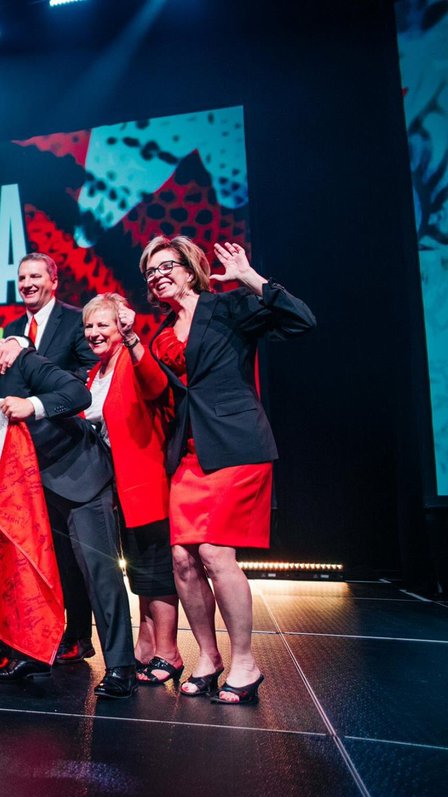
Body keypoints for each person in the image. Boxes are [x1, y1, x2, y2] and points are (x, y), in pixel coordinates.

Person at [143, 236, 315, 705]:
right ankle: (207, 656)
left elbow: (302, 321)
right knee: (182, 558)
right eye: (150, 271)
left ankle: (245, 662)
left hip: (237, 445)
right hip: (190, 454)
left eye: (166, 266)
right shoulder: (158, 335)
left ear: (190, 267)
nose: (158, 275)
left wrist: (251, 278)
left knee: (217, 554)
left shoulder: (229, 307)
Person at [0, 307, 139, 699]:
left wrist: (31, 404)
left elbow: (77, 393)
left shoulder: (17, 362)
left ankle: (121, 666)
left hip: (77, 477)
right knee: (37, 578)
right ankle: (34, 653)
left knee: (98, 575)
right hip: (27, 497)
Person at [0, 252, 99, 666]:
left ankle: (80, 634)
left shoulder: (78, 320)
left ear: (53, 281)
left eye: (35, 275)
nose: (27, 283)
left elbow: (88, 376)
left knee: (77, 556)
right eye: (21, 277)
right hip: (28, 458)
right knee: (46, 553)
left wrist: (40, 391)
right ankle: (48, 633)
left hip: (73, 450)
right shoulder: (10, 330)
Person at [81, 293, 181, 685]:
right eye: (89, 326)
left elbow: (156, 386)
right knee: (138, 570)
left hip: (144, 480)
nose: (94, 333)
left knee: (155, 570)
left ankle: (169, 651)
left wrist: (134, 340)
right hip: (114, 487)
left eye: (103, 325)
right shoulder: (97, 371)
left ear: (121, 328)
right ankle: (146, 645)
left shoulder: (131, 358)